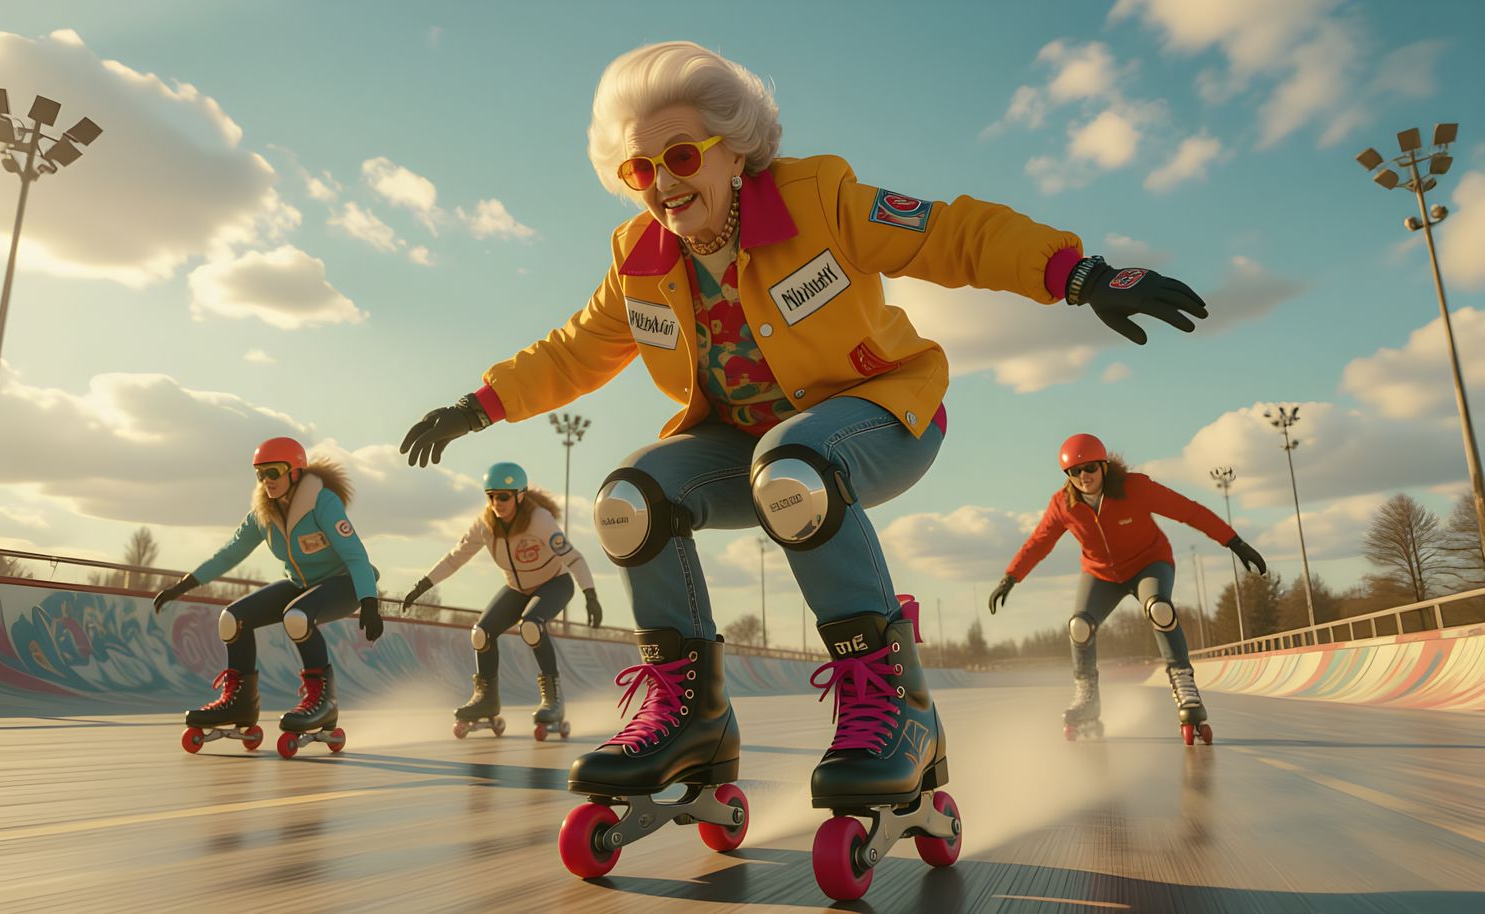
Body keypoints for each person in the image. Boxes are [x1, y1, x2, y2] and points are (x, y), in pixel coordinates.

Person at [396, 40, 1212, 891]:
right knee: (631, 497)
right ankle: (690, 716)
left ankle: (897, 711)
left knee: (795, 464)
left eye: (681, 156)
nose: (664, 185)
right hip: (746, 448)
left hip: (883, 415)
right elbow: (573, 350)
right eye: (641, 169)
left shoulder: (819, 201)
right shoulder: (639, 255)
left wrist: (1078, 273)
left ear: (734, 149)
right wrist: (479, 405)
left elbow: (952, 235)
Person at [988, 433, 1266, 744]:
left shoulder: (1135, 487)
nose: (1083, 477)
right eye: (1074, 472)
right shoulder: (1063, 504)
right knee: (1079, 626)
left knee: (1159, 609)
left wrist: (1235, 542)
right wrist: (1009, 578)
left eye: (1090, 468)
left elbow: (1189, 511)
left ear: (1104, 466)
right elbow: (1039, 543)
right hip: (1101, 575)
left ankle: (1185, 688)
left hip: (1149, 563)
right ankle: (1086, 696)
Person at [154, 437, 382, 754]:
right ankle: (241, 703)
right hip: (302, 583)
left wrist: (370, 601)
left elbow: (356, 556)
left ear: (296, 472)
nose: (267, 481)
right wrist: (184, 585)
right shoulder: (263, 513)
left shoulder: (323, 502)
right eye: (260, 474)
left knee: (297, 617)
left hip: (346, 582)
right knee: (232, 619)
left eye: (273, 472)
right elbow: (229, 554)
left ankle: (323, 701)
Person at [402, 462, 601, 739]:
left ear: (520, 496)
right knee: (480, 634)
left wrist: (590, 594)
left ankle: (553, 699)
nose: (497, 502)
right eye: (492, 496)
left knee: (530, 626)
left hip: (554, 583)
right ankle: (486, 699)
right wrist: (422, 585)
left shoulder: (539, 519)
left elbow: (573, 557)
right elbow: (455, 557)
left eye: (504, 496)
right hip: (517, 588)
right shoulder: (486, 525)